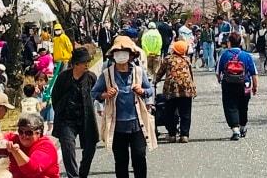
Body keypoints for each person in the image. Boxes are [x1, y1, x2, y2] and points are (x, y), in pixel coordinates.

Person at [92, 36, 155, 178]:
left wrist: (142, 91)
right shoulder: (107, 74)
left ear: (131, 55)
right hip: (117, 125)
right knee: (121, 161)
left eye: (125, 52)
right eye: (118, 52)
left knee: (139, 157)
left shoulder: (138, 72)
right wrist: (106, 95)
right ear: (113, 56)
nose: (121, 55)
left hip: (137, 124)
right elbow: (94, 92)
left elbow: (150, 90)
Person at [51, 47, 98, 178]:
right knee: (68, 146)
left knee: (90, 147)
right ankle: (73, 176)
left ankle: (83, 174)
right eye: (84, 63)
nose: (87, 65)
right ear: (76, 64)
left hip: (86, 118)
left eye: (88, 62)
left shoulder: (91, 78)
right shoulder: (63, 78)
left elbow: (98, 93)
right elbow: (55, 97)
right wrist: (61, 112)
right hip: (67, 120)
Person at [0, 113, 59, 178]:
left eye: (29, 133)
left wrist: (16, 152)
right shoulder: (15, 139)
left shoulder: (46, 146)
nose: (24, 136)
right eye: (21, 131)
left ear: (39, 133)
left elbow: (32, 170)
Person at [216, 32, 258, 140]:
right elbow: (254, 73)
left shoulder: (224, 55)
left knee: (230, 106)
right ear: (240, 42)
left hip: (228, 84)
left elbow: (218, 72)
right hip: (245, 84)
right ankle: (242, 127)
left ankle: (235, 130)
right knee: (243, 106)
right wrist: (255, 86)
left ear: (229, 43)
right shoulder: (247, 55)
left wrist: (220, 80)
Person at [154, 40, 196, 143]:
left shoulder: (168, 59)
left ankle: (172, 134)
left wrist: (156, 80)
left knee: (170, 112)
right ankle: (184, 135)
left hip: (171, 89)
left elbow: (160, 73)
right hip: (186, 89)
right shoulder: (186, 60)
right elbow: (190, 74)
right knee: (185, 112)